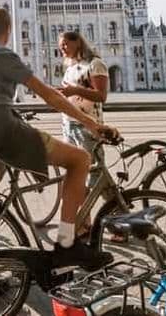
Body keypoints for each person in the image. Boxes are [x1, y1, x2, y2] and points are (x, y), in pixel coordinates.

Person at [0, 7, 118, 271]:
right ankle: (67, 244)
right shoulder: (3, 54)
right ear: (7, 32)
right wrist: (92, 124)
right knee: (79, 159)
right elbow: (49, 95)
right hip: (0, 127)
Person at [57, 30, 113, 236]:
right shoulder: (70, 67)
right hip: (69, 126)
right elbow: (71, 93)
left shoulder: (95, 64)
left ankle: (119, 218)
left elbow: (101, 95)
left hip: (88, 126)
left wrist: (74, 91)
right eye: (60, 45)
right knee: (77, 175)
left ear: (77, 43)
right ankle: (85, 223)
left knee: (97, 177)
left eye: (64, 44)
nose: (61, 48)